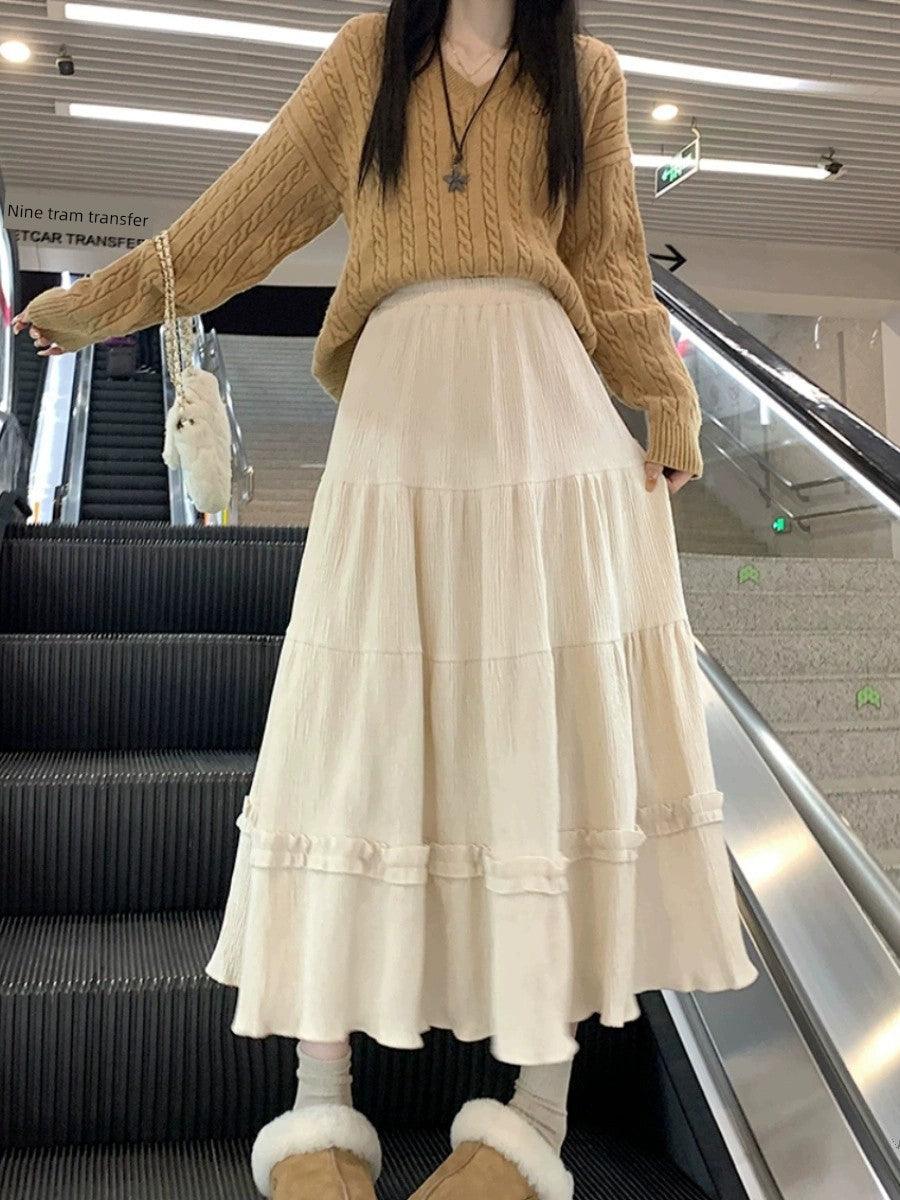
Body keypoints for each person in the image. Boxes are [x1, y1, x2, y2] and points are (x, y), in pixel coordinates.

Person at [14, 3, 759, 1198]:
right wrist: (104, 302)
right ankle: (321, 1101)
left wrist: (664, 404)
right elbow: (252, 208)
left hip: (549, 430)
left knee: (549, 749)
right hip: (399, 422)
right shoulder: (369, 56)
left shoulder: (587, 73)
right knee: (348, 737)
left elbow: (610, 259)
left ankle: (534, 1111)